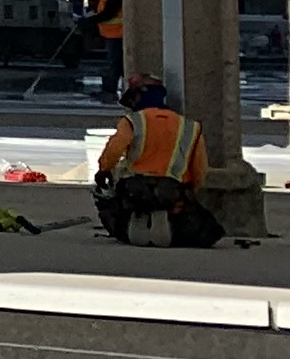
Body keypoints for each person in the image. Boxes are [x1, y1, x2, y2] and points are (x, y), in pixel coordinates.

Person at [93, 75, 221, 248]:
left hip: (134, 190)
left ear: (137, 96)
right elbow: (200, 170)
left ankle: (130, 224)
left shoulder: (133, 120)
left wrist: (104, 170)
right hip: (172, 192)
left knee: (105, 193)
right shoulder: (190, 126)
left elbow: (114, 150)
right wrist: (189, 192)